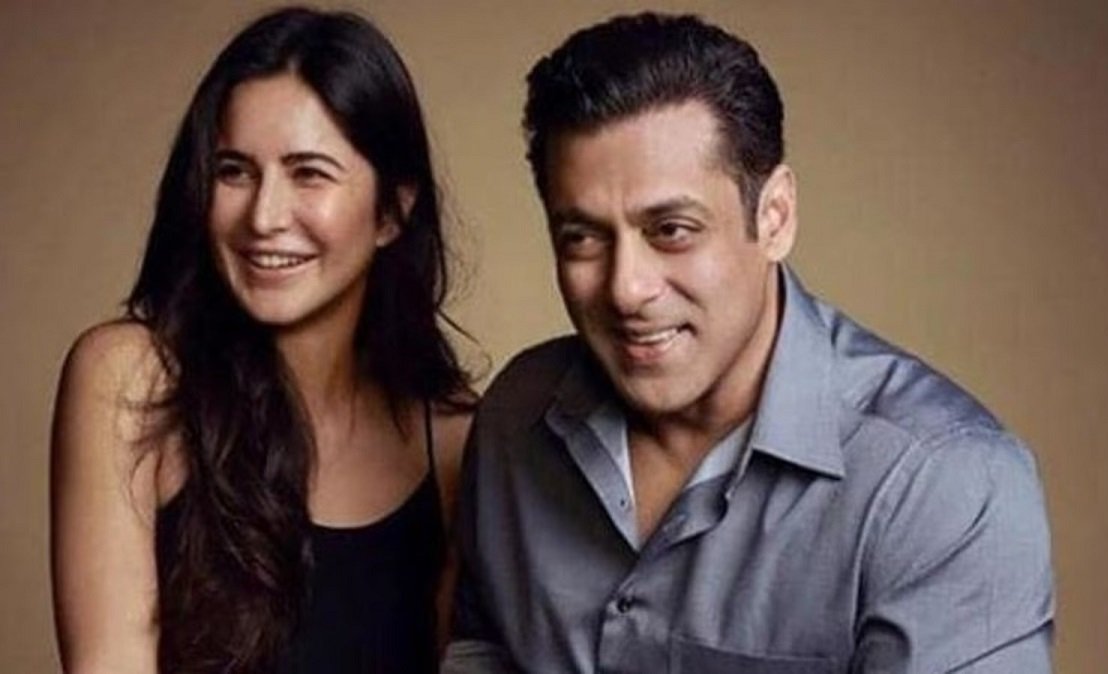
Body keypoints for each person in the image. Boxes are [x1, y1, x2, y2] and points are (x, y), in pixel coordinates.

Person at [446, 12, 1054, 673]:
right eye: (583, 238)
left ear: (775, 217)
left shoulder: (943, 485)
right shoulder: (518, 418)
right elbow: (482, 650)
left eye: (672, 230)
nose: (627, 289)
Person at [50, 8, 473, 673]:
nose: (264, 217)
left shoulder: (450, 439)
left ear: (392, 211)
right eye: (234, 171)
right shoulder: (129, 379)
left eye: (309, 173)